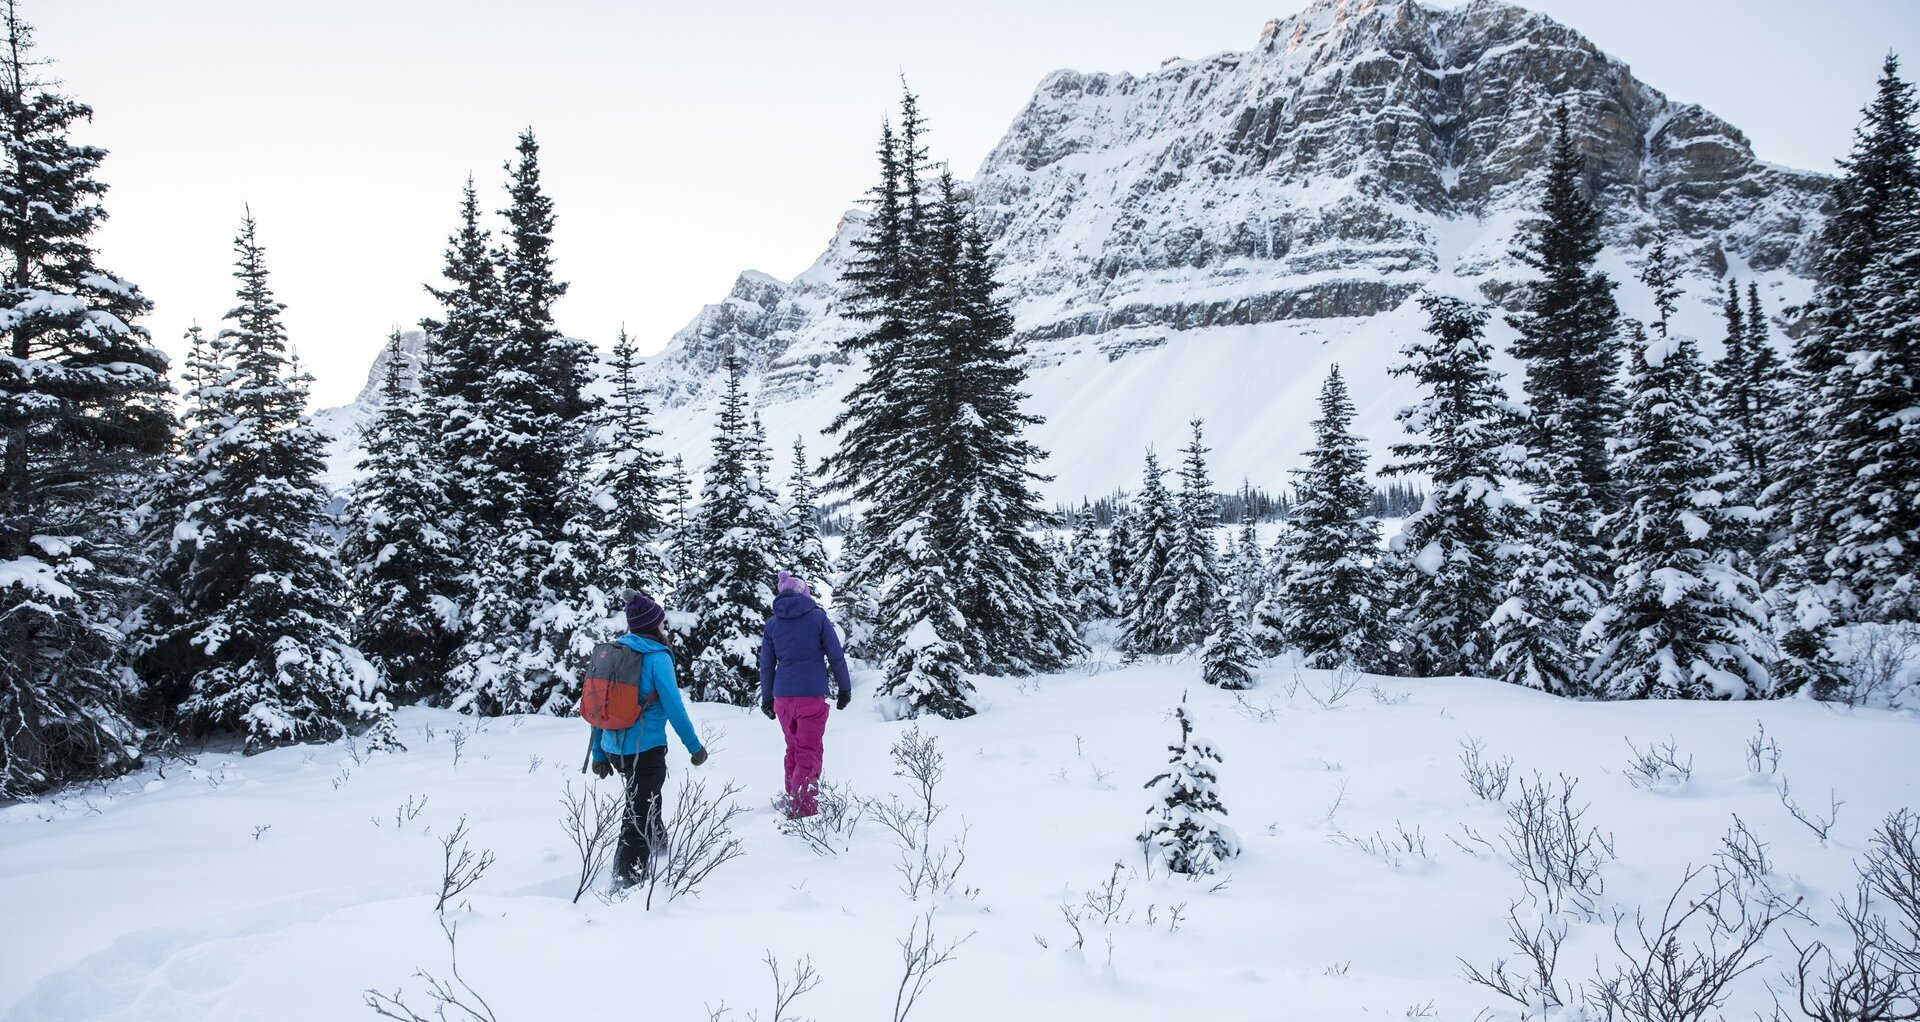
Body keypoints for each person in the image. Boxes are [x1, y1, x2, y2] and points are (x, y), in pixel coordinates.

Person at [587, 590, 708, 889]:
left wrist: (599, 754)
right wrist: (694, 747)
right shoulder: (656, 657)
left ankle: (661, 851)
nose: (665, 626)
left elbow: (601, 707)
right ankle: (626, 881)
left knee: (643, 799)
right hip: (646, 748)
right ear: (654, 625)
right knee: (637, 813)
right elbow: (673, 705)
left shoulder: (616, 653)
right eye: (662, 622)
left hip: (614, 748)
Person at [758, 571, 852, 818]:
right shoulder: (817, 618)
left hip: (782, 699)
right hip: (810, 696)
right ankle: (802, 810)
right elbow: (835, 655)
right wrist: (844, 688)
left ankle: (793, 797)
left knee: (793, 749)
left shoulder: (772, 624)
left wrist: (767, 698)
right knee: (808, 751)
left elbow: (766, 665)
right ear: (804, 593)